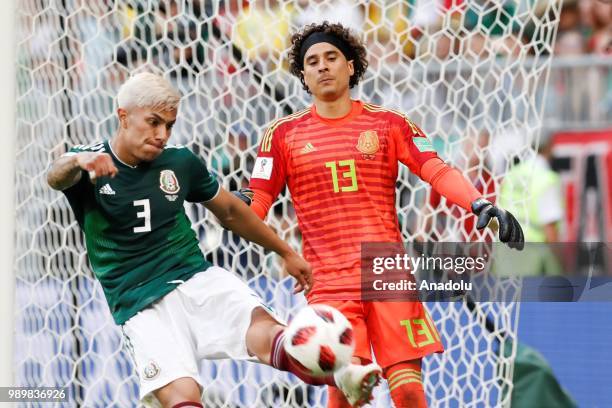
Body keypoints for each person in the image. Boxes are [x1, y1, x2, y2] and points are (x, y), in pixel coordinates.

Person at [46, 72, 379, 408]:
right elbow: (56, 176)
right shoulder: (89, 163)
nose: (162, 134)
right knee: (183, 398)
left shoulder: (179, 162)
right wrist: (76, 160)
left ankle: (341, 374)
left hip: (196, 277)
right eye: (153, 122)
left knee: (268, 332)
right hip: (139, 303)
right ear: (123, 116)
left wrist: (286, 252)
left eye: (169, 125)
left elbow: (231, 211)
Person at [235, 22, 524, 408]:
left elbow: (435, 168)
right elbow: (257, 204)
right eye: (312, 61)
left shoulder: (389, 124)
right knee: (347, 395)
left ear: (351, 65)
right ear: (302, 75)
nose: (322, 66)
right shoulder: (282, 135)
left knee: (407, 391)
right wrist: (229, 205)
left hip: (386, 272)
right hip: (329, 281)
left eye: (331, 57)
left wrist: (479, 204)